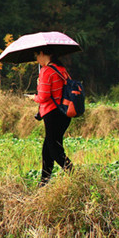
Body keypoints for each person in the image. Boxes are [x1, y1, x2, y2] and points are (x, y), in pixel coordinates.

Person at [29, 47, 74, 186]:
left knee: (54, 149)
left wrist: (33, 97)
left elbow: (43, 96)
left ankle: (74, 174)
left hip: (52, 113)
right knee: (48, 147)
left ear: (43, 54)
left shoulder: (46, 71)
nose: (37, 59)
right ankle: (44, 181)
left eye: (37, 55)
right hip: (65, 113)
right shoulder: (62, 69)